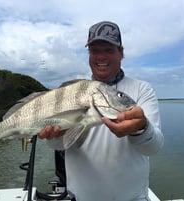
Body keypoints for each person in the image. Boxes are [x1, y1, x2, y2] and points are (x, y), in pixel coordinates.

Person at [39, 21, 164, 201]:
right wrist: (55, 136)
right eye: (95, 51)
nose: (101, 57)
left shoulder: (142, 90)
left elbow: (154, 147)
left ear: (121, 53)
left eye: (109, 50)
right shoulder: (70, 92)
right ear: (89, 54)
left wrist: (141, 128)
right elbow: (58, 145)